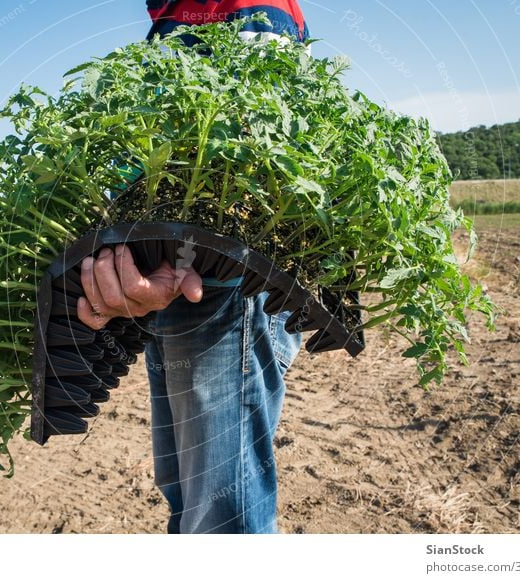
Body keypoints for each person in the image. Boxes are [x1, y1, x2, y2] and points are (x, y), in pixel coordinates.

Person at [76, 0, 308, 534]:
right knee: (191, 500)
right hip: (177, 285)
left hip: (221, 287)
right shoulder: (175, 15)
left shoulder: (244, 10)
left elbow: (251, 159)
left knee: (220, 516)